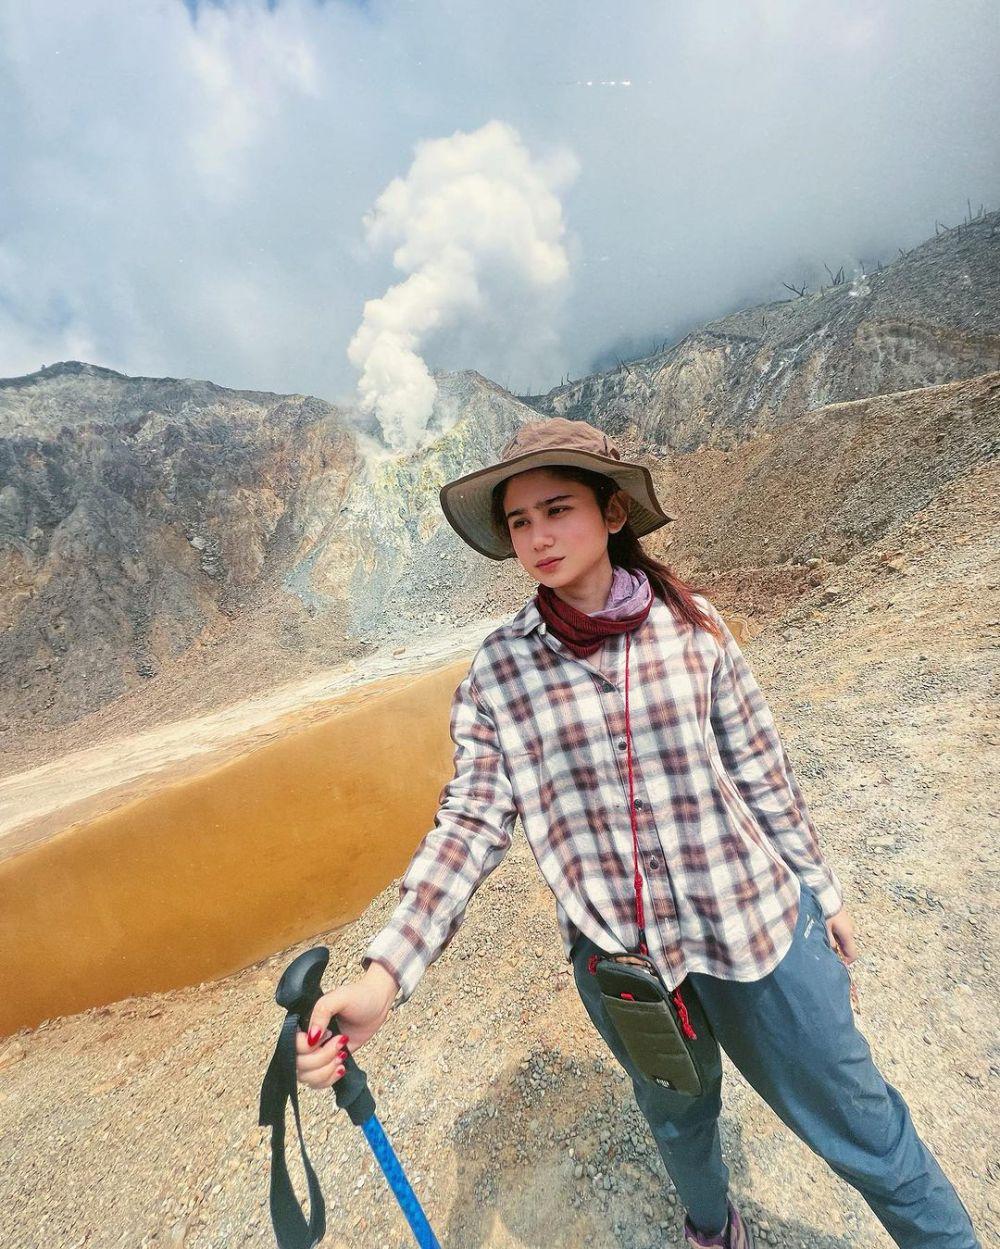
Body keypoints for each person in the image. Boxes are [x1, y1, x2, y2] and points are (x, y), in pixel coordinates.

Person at [296, 418, 980, 1248]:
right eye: (519, 522)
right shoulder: (501, 672)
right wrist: (382, 976)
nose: (538, 537)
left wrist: (823, 890)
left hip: (755, 927)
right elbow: (470, 823)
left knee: (867, 1127)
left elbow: (762, 768)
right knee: (679, 1116)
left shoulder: (695, 630)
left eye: (557, 509)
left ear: (613, 511)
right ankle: (710, 1226)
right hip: (623, 959)